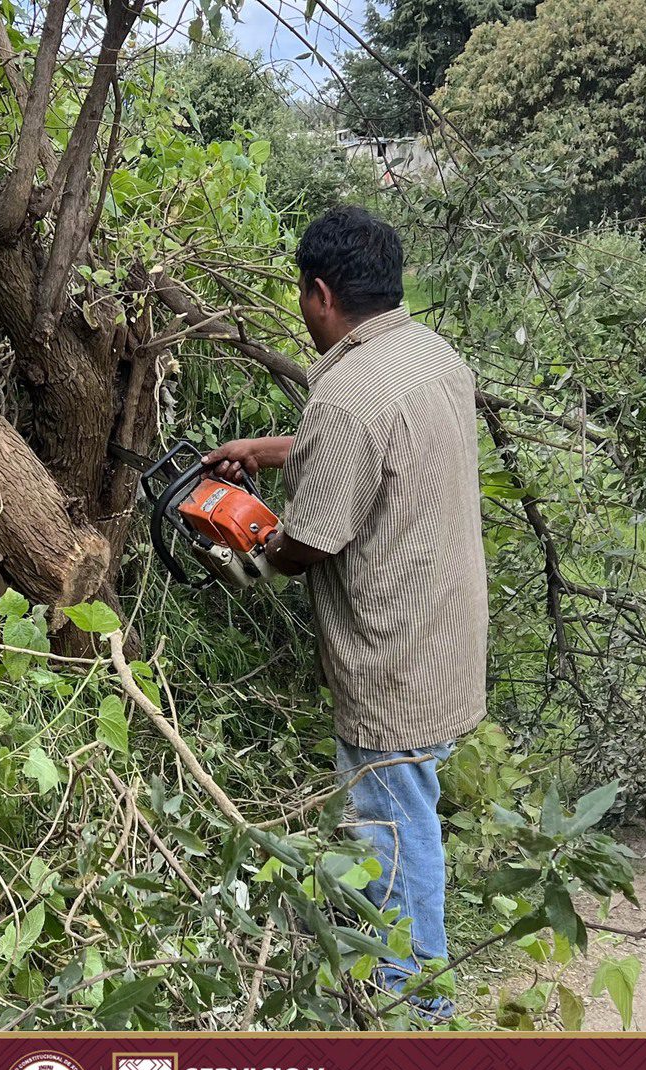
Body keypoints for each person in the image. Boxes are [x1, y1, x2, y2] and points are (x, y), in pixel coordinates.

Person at [203, 206, 485, 1023]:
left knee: (392, 825)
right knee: (408, 809)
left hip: (392, 650)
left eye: (301, 293)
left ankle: (412, 1002)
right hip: (445, 629)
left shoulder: (349, 392)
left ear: (320, 293)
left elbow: (314, 541)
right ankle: (398, 970)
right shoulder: (430, 357)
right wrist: (272, 450)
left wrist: (251, 546)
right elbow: (376, 448)